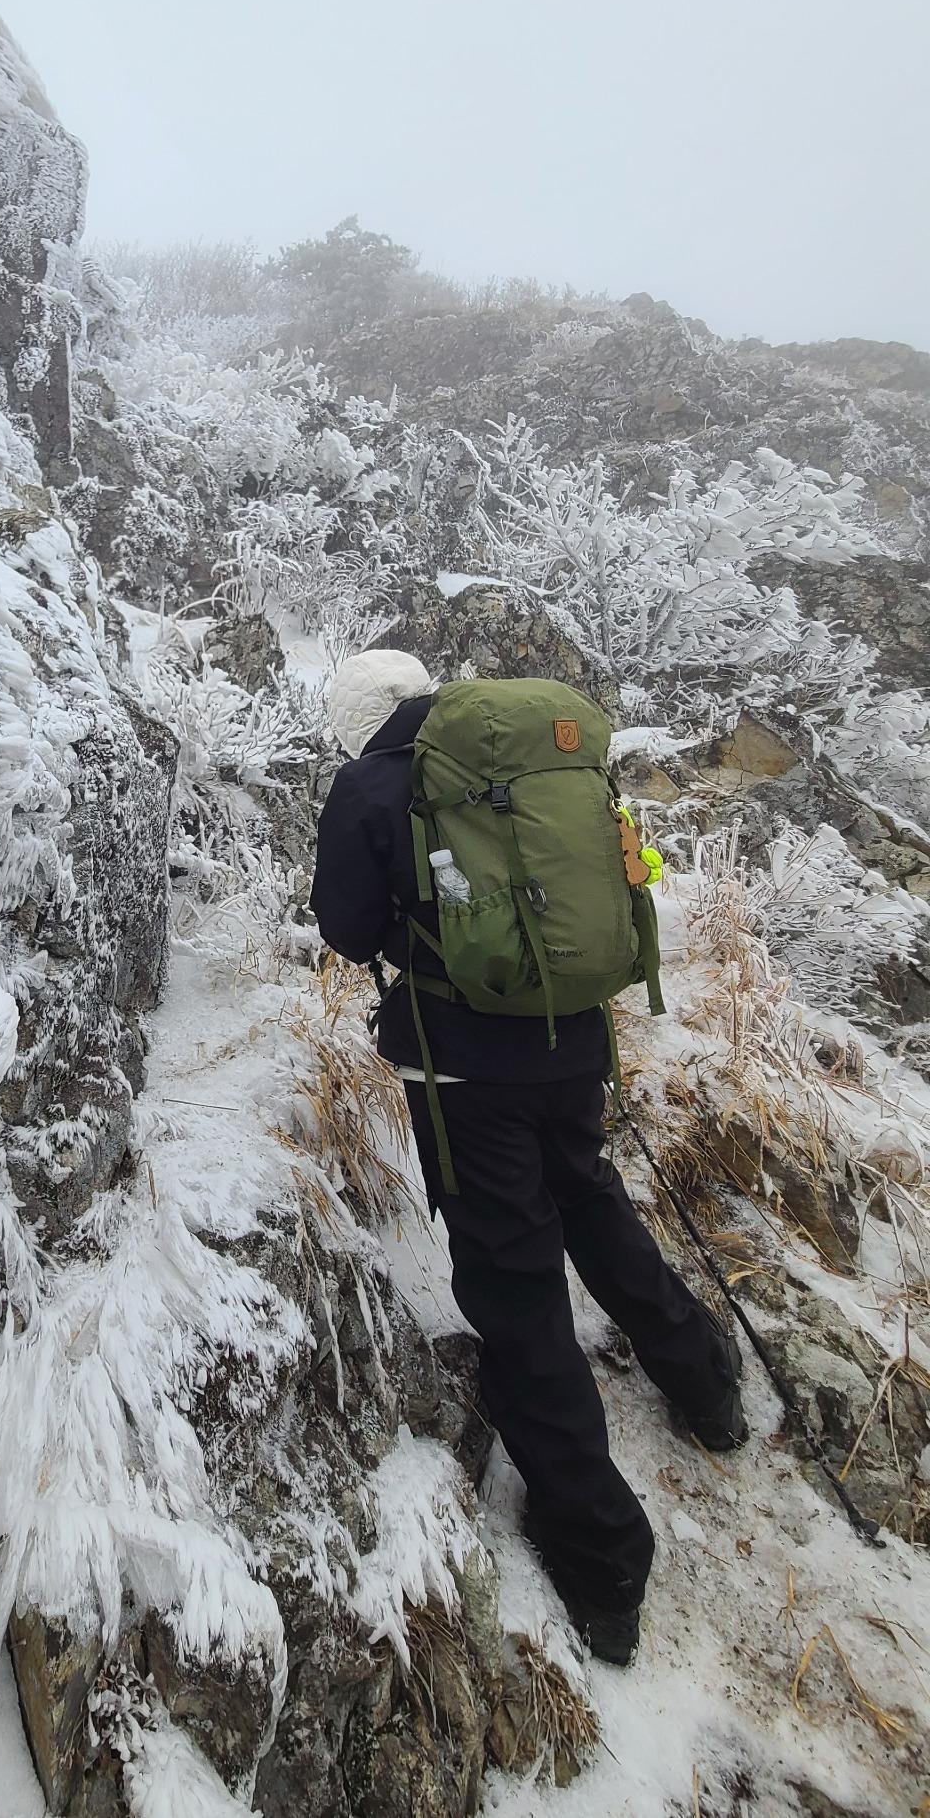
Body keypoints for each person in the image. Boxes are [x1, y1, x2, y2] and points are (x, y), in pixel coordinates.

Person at [309, 647, 746, 1666]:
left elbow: (345, 924)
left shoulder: (374, 781)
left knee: (512, 1278)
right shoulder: (535, 765)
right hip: (573, 1035)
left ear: (357, 715)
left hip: (465, 1068)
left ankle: (600, 1553)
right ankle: (705, 1380)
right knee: (588, 1196)